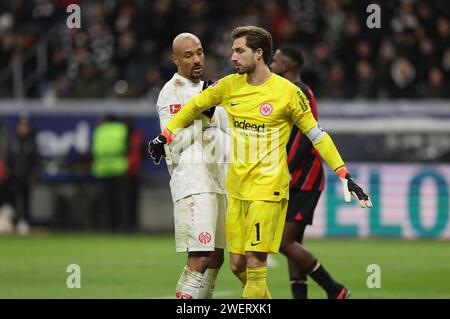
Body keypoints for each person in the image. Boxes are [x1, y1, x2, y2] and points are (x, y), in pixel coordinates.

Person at [149, 26, 372, 299]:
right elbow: (193, 107)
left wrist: (343, 173)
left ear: (258, 53)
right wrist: (164, 137)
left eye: (239, 50)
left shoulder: (288, 93)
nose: (232, 57)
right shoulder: (229, 86)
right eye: (232, 50)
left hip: (268, 189)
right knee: (237, 264)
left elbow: (317, 135)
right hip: (237, 188)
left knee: (255, 261)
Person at [270, 47, 350, 299]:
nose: (271, 64)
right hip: (297, 179)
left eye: (275, 60)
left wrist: (287, 168)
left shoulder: (300, 91)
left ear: (286, 65)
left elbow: (309, 135)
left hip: (304, 179)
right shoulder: (288, 91)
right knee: (293, 244)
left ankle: (334, 288)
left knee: (283, 243)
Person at [153, 33, 228, 299]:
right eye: (188, 55)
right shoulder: (171, 92)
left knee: (217, 257)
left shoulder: (211, 90)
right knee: (200, 255)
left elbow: (224, 134)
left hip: (218, 182)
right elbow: (172, 144)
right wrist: (204, 116)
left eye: (199, 52)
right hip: (193, 183)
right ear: (175, 59)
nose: (197, 59)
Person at [91, 114, 129, 232]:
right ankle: (122, 226)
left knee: (106, 201)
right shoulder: (122, 129)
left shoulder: (99, 130)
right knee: (120, 200)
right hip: (118, 168)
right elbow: (127, 147)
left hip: (102, 169)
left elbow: (94, 149)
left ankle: (107, 226)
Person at [6, 114, 39, 235]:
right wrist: (9, 172)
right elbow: (9, 158)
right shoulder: (14, 141)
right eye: (21, 126)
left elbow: (36, 160)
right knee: (13, 200)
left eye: (25, 126)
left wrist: (33, 174)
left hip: (26, 177)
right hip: (14, 177)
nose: (23, 128)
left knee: (26, 200)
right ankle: (12, 222)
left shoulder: (31, 142)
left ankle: (25, 223)